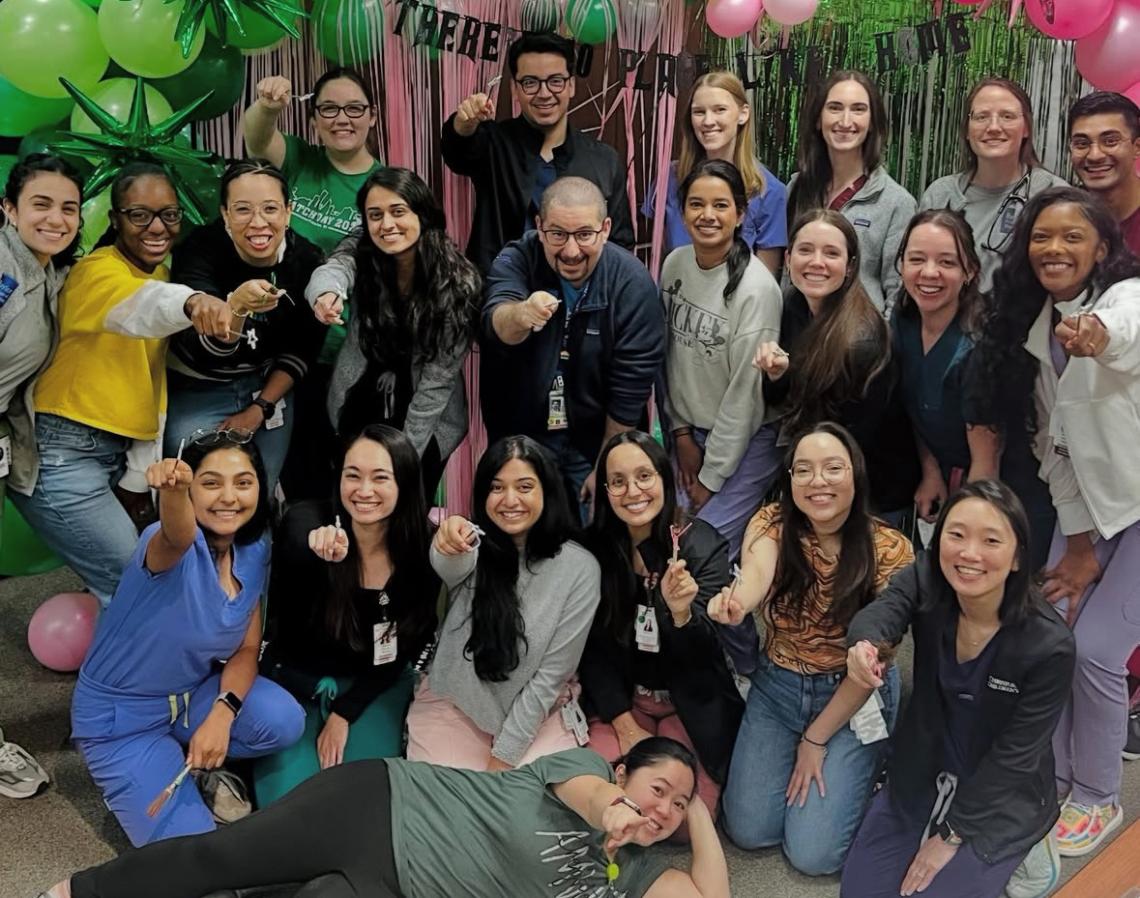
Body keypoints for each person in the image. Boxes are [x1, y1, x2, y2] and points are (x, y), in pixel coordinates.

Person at [966, 186, 1140, 858]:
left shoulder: (1123, 300)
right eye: (1043, 236)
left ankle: (1099, 797)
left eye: (1073, 237)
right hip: (1102, 513)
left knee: (1096, 648)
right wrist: (1078, 546)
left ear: (1103, 247)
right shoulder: (1036, 332)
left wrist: (1097, 338)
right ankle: (1062, 775)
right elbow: (1054, 451)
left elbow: (1121, 334)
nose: (1055, 248)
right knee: (1053, 631)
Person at [45, 738, 731, 898]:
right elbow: (588, 794)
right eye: (657, 787)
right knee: (219, 858)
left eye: (677, 802)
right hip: (377, 806)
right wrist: (612, 808)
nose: (661, 806)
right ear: (621, 773)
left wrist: (694, 811)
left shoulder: (637, 873)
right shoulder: (579, 767)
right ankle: (76, 892)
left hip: (396, 889)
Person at [840, 481, 1076, 898]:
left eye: (990, 540)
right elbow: (881, 613)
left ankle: (1033, 845)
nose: (969, 553)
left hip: (1001, 792)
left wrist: (950, 836)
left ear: (1018, 555)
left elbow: (1015, 757)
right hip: (926, 763)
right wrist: (863, 646)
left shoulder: (1048, 645)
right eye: (957, 534)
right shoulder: (927, 578)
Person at [9, 163, 229, 606]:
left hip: (109, 452)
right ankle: (136, 676)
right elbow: (141, 308)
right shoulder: (96, 271)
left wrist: (134, 473)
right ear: (115, 220)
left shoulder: (160, 275)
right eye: (139, 214)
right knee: (135, 583)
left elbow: (151, 383)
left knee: (137, 580)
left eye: (169, 214)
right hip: (60, 454)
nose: (156, 227)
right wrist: (192, 301)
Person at [70, 431, 304, 846]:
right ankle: (149, 775)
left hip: (191, 696)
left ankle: (198, 761)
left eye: (243, 483)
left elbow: (248, 648)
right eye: (210, 483)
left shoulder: (254, 548)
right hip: (121, 723)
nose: (229, 497)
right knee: (191, 854)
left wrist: (223, 712)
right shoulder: (168, 545)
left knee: (283, 721)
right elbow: (175, 533)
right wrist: (173, 492)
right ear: (191, 488)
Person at [708, 423, 914, 876]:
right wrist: (737, 603)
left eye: (832, 468)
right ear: (790, 480)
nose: (817, 481)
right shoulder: (771, 522)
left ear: (855, 475)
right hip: (778, 684)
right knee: (749, 830)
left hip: (854, 695)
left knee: (813, 856)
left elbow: (871, 665)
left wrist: (815, 739)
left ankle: (874, 763)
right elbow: (758, 571)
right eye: (803, 470)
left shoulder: (892, 549)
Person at [253, 425, 439, 806]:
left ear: (404, 483)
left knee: (366, 799)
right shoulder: (311, 523)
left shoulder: (421, 549)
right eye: (352, 475)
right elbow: (297, 535)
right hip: (296, 682)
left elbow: (406, 645)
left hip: (373, 685)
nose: (363, 490)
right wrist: (314, 550)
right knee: (290, 802)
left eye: (380, 478)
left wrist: (343, 713)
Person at [406, 435, 601, 771]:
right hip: (455, 706)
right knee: (446, 809)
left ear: (547, 491)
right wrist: (447, 536)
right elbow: (447, 561)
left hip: (540, 716)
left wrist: (504, 757)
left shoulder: (579, 568)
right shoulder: (472, 545)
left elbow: (550, 677)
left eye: (524, 486)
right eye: (497, 487)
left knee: (526, 811)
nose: (510, 500)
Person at [581, 431, 744, 821]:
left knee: (683, 817)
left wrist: (682, 615)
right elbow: (590, 648)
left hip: (687, 703)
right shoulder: (595, 549)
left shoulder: (702, 545)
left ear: (664, 479)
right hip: (622, 701)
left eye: (644, 476)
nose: (632, 491)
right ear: (605, 491)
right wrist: (623, 722)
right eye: (618, 481)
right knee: (596, 797)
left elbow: (707, 658)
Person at [481, 176, 665, 510]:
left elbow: (631, 387)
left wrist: (607, 463)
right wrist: (523, 314)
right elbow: (497, 321)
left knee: (593, 533)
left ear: (605, 229)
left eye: (584, 235)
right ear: (539, 227)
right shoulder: (518, 257)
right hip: (524, 436)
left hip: (594, 438)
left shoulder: (632, 283)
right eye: (557, 234)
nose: (570, 250)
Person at [243, 67, 382, 501]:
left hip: (350, 354)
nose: (342, 118)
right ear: (314, 118)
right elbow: (257, 138)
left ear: (372, 116)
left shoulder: (384, 185)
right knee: (299, 476)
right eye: (329, 109)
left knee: (351, 472)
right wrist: (267, 106)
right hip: (286, 351)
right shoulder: (301, 160)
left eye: (354, 108)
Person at [306, 167, 481, 499]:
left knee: (406, 515)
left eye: (398, 211)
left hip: (424, 421)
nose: (386, 225)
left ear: (422, 213)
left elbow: (437, 384)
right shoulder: (363, 252)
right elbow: (335, 269)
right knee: (355, 505)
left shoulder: (457, 282)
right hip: (358, 405)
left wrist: (403, 462)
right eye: (375, 215)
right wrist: (325, 294)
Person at [893, 209, 1055, 566]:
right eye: (917, 259)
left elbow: (987, 463)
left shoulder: (979, 345)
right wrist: (931, 470)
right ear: (901, 264)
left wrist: (969, 539)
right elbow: (914, 405)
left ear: (969, 272)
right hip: (951, 472)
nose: (929, 273)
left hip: (1004, 487)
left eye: (947, 262)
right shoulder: (902, 321)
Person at [0, 154, 85, 804]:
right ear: (9, 209)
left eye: (68, 207)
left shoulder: (49, 270)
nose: (55, 218)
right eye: (40, 205)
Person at [165, 159, 326, 494]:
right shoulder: (199, 251)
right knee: (195, 493)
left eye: (270, 209)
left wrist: (261, 407)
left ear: (288, 212)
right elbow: (209, 348)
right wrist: (236, 307)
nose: (258, 223)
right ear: (224, 215)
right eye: (242, 210)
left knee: (258, 498)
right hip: (198, 386)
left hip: (266, 386)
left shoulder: (306, 261)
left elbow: (302, 348)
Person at [756, 209, 918, 521]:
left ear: (850, 266)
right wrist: (778, 375)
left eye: (831, 253)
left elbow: (855, 441)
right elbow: (782, 400)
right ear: (788, 259)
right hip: (822, 473)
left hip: (870, 489)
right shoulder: (793, 304)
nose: (816, 262)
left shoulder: (863, 342)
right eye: (805, 250)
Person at [662, 159, 783, 558]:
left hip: (744, 438)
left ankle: (734, 622)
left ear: (740, 214)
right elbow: (671, 362)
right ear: (683, 211)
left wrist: (711, 477)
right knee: (673, 545)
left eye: (721, 205)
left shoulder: (757, 290)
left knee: (705, 554)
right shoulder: (675, 265)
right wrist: (680, 435)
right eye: (696, 204)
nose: (707, 215)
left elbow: (745, 396)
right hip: (688, 435)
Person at [442, 31, 634, 273]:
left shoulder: (605, 160)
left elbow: (620, 244)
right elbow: (456, 152)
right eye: (530, 82)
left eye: (555, 81)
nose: (544, 94)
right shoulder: (493, 143)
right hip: (501, 295)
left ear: (571, 85)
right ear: (514, 89)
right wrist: (463, 123)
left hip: (578, 300)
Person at [920, 78, 1067, 293]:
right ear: (967, 131)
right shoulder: (941, 195)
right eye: (981, 117)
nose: (994, 127)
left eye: (1007, 116)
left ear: (1026, 128)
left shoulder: (1055, 196)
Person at [787, 70, 915, 314]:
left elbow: (898, 294)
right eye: (834, 108)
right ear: (818, 119)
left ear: (872, 123)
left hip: (858, 344)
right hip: (796, 338)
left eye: (858, 109)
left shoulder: (897, 203)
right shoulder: (797, 188)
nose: (845, 121)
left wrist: (876, 347)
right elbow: (785, 273)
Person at [644, 71, 787, 274]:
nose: (708, 121)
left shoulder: (769, 192)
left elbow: (765, 283)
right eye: (699, 112)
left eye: (719, 110)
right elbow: (658, 256)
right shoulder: (670, 178)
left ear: (743, 114)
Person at [1068, 91, 1140, 254]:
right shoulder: (1063, 217)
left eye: (1110, 141)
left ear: (1137, 147)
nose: (1095, 155)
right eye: (1081, 143)